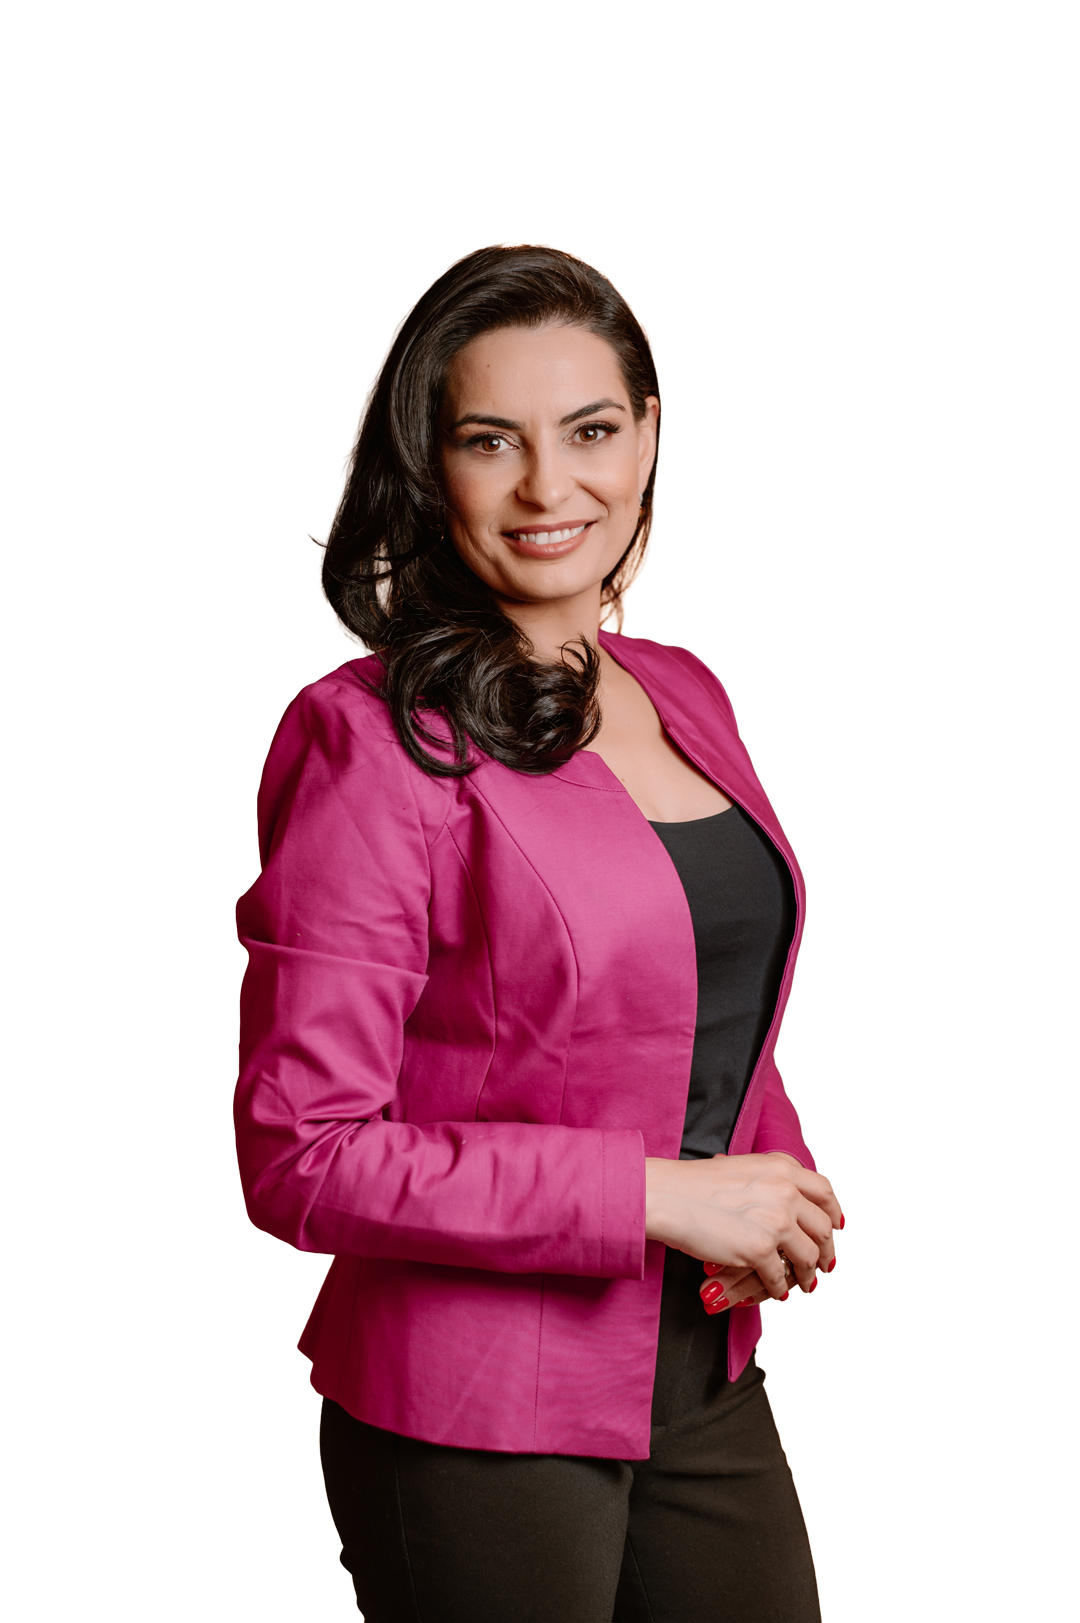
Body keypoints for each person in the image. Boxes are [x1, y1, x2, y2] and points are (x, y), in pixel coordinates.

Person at [235, 244, 843, 1623]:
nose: (549, 487)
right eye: (490, 439)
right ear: (428, 466)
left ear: (648, 439)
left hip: (698, 1370)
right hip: (472, 1406)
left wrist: (772, 1191)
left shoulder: (679, 690)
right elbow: (302, 1153)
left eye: (591, 430)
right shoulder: (369, 740)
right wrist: (650, 1195)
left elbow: (694, 992)